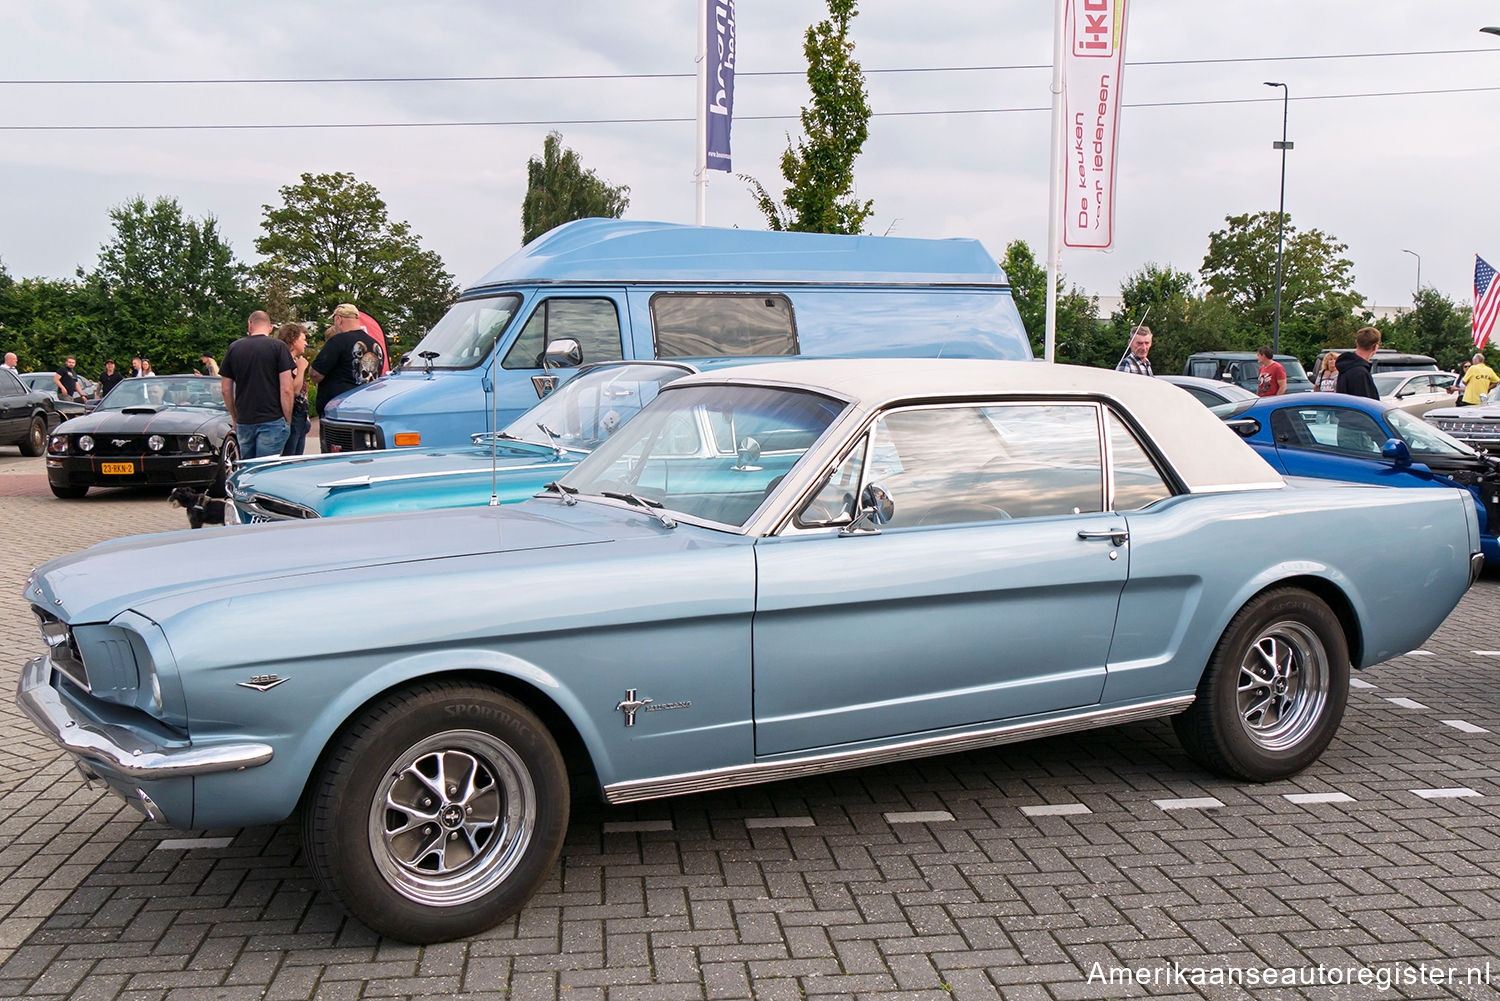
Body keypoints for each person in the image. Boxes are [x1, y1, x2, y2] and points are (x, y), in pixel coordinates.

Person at [220, 310, 294, 459]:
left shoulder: (234, 348)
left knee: (248, 467)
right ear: (270, 327)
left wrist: (235, 417)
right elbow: (286, 389)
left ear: (250, 324)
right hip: (272, 418)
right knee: (266, 469)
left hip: (245, 420)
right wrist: (287, 419)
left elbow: (225, 389)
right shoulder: (278, 347)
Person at [310, 302, 384, 417]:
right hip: (366, 408)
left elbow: (316, 374)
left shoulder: (338, 341)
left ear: (339, 319)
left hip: (338, 410)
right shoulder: (376, 344)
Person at [277, 322, 312, 455]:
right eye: (303, 339)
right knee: (290, 457)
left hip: (300, 416)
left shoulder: (293, 360)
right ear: (293, 339)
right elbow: (294, 390)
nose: (306, 343)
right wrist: (302, 369)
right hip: (293, 416)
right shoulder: (286, 361)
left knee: (297, 458)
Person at [1334, 326, 1381, 399]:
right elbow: (1365, 404)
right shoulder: (1360, 372)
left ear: (1356, 342)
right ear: (1375, 347)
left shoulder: (1346, 366)